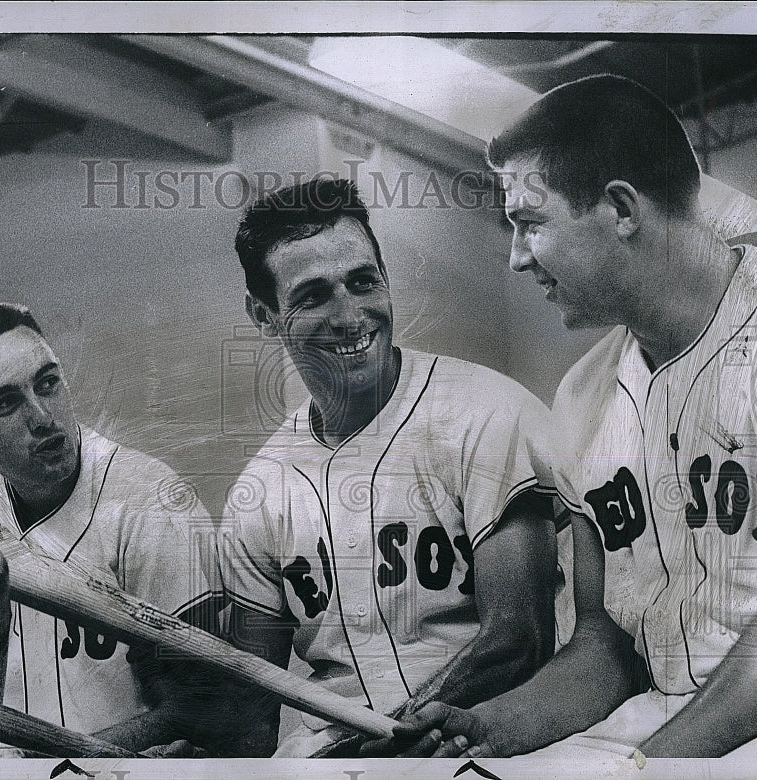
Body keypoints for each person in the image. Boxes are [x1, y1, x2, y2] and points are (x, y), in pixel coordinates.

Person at [366, 74, 757, 762]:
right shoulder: (582, 396)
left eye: (530, 224)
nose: (515, 258)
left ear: (621, 208)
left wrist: (653, 765)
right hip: (654, 726)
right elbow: (605, 645)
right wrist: (496, 725)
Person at [219, 178, 564, 757]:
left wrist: (387, 736)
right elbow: (255, 698)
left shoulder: (484, 411)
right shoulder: (260, 489)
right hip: (337, 760)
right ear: (263, 315)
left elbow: (520, 640)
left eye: (362, 282)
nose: (350, 316)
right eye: (313, 296)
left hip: (483, 744)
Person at [0, 303, 222, 756]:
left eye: (48, 383)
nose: (43, 417)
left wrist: (57, 762)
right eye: (6, 403)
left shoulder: (151, 500)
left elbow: (203, 707)